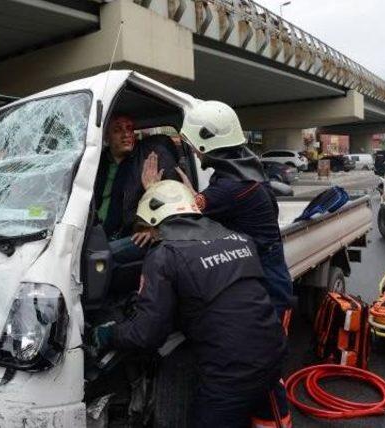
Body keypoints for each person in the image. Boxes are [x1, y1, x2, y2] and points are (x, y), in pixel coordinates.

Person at [92, 180, 290, 428]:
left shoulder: (164, 255)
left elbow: (146, 334)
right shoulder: (239, 239)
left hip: (230, 374)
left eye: (147, 229)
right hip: (274, 354)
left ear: (154, 219)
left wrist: (110, 333)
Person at [142, 101, 293, 321]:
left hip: (265, 281)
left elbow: (184, 215)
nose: (192, 149)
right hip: (267, 267)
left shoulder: (229, 187)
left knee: (262, 343)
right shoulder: (243, 164)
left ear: (205, 142)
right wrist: (196, 195)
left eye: (193, 143)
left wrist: (153, 189)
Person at [94, 115, 178, 263]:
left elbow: (174, 199)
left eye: (129, 129)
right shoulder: (97, 162)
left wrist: (154, 227)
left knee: (97, 259)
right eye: (118, 130)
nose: (126, 134)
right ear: (106, 137)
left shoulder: (149, 158)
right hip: (95, 230)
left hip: (131, 231)